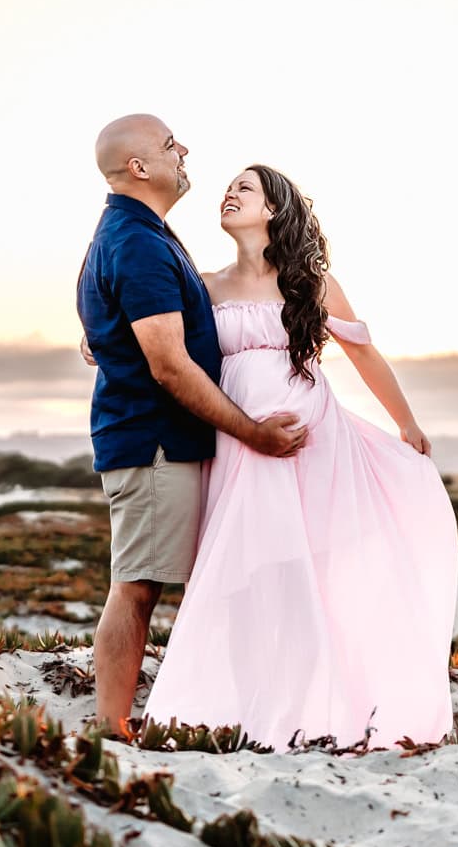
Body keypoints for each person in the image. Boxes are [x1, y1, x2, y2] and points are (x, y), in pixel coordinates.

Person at [142, 164, 458, 750]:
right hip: (238, 444)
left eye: (245, 188)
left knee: (304, 576)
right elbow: (154, 337)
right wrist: (97, 341)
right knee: (243, 576)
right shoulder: (203, 285)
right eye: (228, 188)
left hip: (314, 446)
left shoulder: (311, 282)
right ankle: (244, 707)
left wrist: (406, 423)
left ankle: (319, 708)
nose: (229, 194)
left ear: (273, 209)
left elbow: (366, 356)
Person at [76, 115, 308, 736]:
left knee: (155, 583)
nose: (184, 150)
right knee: (138, 588)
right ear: (140, 167)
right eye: (170, 144)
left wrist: (99, 334)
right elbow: (170, 368)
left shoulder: (143, 236)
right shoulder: (140, 242)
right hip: (154, 442)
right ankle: (112, 728)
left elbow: (141, 320)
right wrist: (254, 434)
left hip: (165, 440)